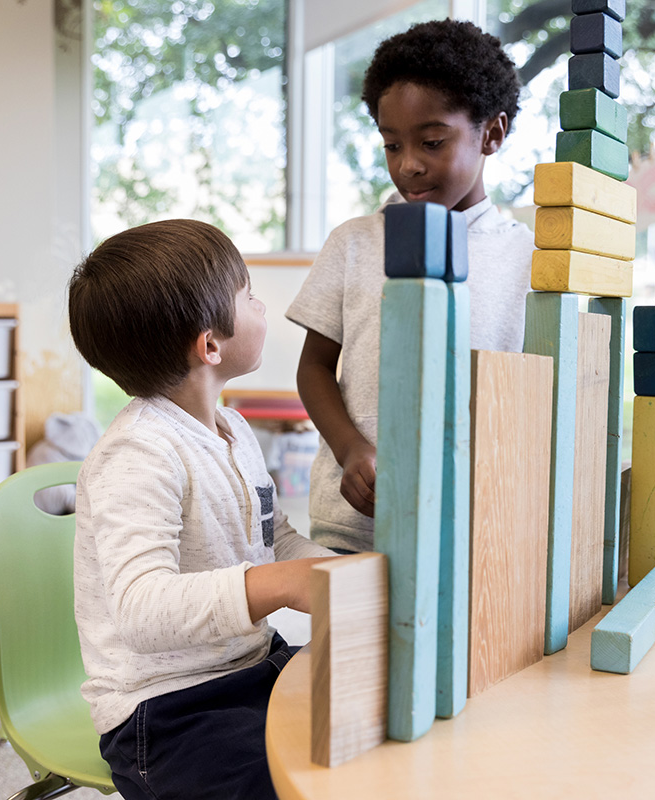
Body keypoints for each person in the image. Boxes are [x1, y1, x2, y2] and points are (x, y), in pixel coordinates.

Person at [68, 219, 335, 800]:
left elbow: (272, 534)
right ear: (210, 345)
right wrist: (283, 583)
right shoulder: (138, 451)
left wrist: (334, 570)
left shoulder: (232, 428)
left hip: (252, 669)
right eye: (248, 295)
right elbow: (142, 609)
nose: (262, 306)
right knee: (283, 785)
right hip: (165, 710)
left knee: (370, 719)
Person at [286, 19, 534, 553]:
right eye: (392, 145)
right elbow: (313, 367)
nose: (409, 165)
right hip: (357, 527)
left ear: (492, 132)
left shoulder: (529, 258)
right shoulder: (354, 242)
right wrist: (350, 447)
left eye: (432, 142)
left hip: (477, 529)